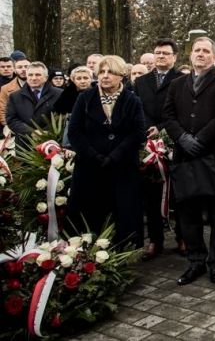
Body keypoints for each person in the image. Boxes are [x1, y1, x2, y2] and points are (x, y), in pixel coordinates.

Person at [162, 37, 215, 285]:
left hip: (213, 156)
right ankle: (196, 261)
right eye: (197, 50)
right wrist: (183, 138)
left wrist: (201, 139)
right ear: (190, 55)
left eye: (206, 51)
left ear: (214, 56)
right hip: (185, 157)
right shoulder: (176, 84)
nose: (201, 54)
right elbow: (168, 115)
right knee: (188, 214)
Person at [67, 55, 146, 247]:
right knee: (89, 213)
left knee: (124, 212)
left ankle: (123, 252)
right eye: (101, 72)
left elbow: (138, 133)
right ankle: (86, 255)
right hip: (90, 166)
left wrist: (116, 156)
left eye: (110, 72)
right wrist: (93, 155)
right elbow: (74, 131)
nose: (105, 76)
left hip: (122, 166)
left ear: (121, 76)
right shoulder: (84, 98)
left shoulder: (132, 100)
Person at [134, 38, 182, 261]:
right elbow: (137, 108)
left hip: (173, 142)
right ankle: (155, 240)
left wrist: (162, 128)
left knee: (178, 195)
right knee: (151, 195)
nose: (161, 56)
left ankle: (183, 238)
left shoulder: (182, 80)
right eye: (157, 53)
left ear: (174, 57)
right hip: (148, 145)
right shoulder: (142, 81)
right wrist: (148, 129)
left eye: (165, 53)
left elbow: (182, 111)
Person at [6, 62, 63, 137]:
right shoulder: (15, 96)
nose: (34, 78)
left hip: (52, 140)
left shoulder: (60, 94)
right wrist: (31, 132)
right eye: (30, 75)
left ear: (46, 78)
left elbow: (63, 117)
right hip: (24, 142)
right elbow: (12, 120)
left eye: (38, 75)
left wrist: (45, 133)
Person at [0, 56, 30, 127]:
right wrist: (8, 127)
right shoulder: (5, 89)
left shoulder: (42, 85)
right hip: (16, 128)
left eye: (26, 66)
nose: (23, 69)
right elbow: (2, 110)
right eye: (20, 67)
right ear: (14, 70)